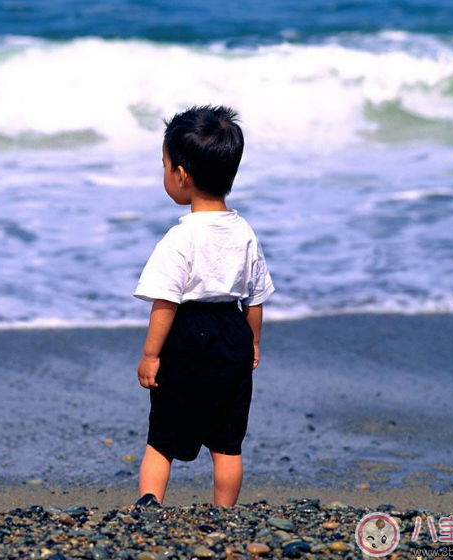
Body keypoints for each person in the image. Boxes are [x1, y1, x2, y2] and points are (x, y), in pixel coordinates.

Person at [132, 105, 275, 508]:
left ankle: (150, 503)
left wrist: (150, 355)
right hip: (233, 331)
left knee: (162, 437)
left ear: (181, 176)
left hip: (187, 334)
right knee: (228, 442)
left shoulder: (180, 238)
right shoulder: (244, 232)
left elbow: (165, 301)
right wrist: (253, 342)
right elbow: (255, 297)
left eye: (164, 166)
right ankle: (225, 511)